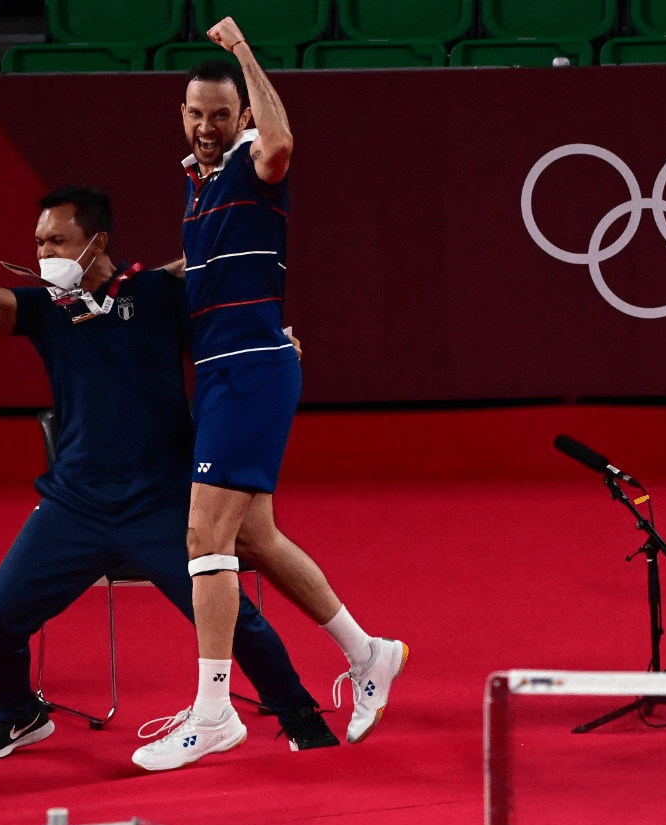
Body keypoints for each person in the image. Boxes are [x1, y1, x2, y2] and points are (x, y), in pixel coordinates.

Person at [0, 154, 339, 762]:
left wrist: (273, 348)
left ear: (96, 241)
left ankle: (299, 712)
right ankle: (17, 715)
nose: (44, 254)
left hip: (160, 501)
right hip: (75, 505)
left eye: (57, 240)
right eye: (39, 242)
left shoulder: (157, 294)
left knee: (230, 617)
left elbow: (227, 306)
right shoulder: (45, 310)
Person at [131, 20, 408, 772]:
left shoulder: (257, 159)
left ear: (243, 116)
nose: (207, 125)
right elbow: (202, 270)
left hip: (248, 369)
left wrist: (245, 53)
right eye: (196, 112)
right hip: (227, 368)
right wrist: (125, 287)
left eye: (221, 112)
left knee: (203, 538)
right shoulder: (198, 184)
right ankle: (369, 651)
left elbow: (283, 140)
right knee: (253, 536)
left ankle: (215, 712)